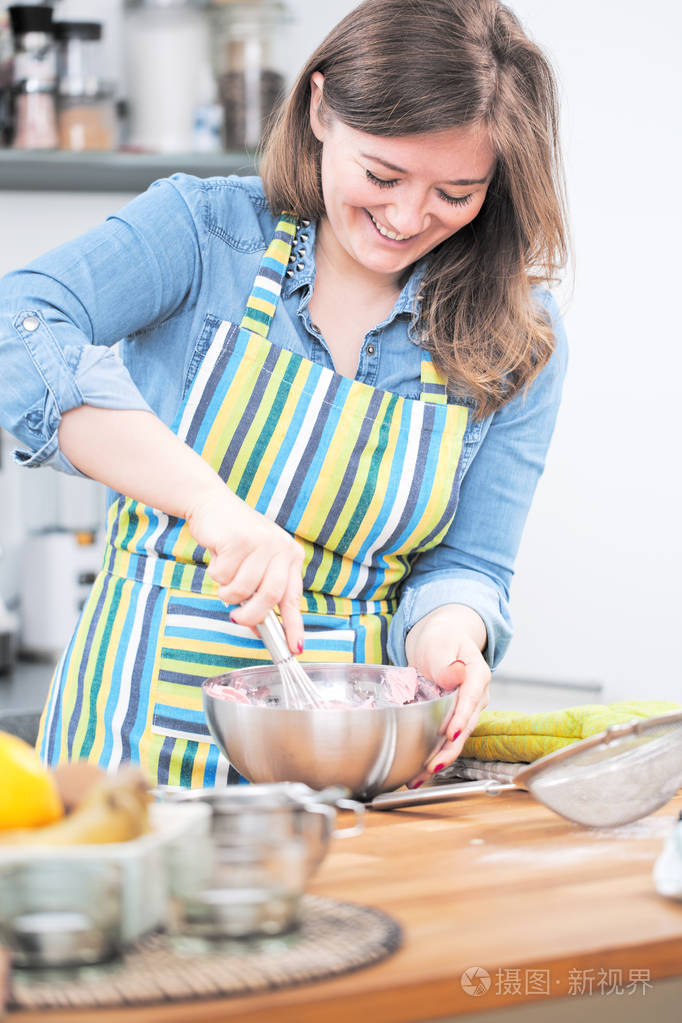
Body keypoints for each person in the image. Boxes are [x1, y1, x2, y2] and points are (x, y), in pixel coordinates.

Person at [0, 0, 568, 789]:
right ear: (319, 109)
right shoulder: (204, 233)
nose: (407, 217)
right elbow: (17, 323)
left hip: (342, 763)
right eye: (382, 174)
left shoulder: (516, 334)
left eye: (457, 192)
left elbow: (466, 562)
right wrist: (207, 501)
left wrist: (450, 635)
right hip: (125, 755)